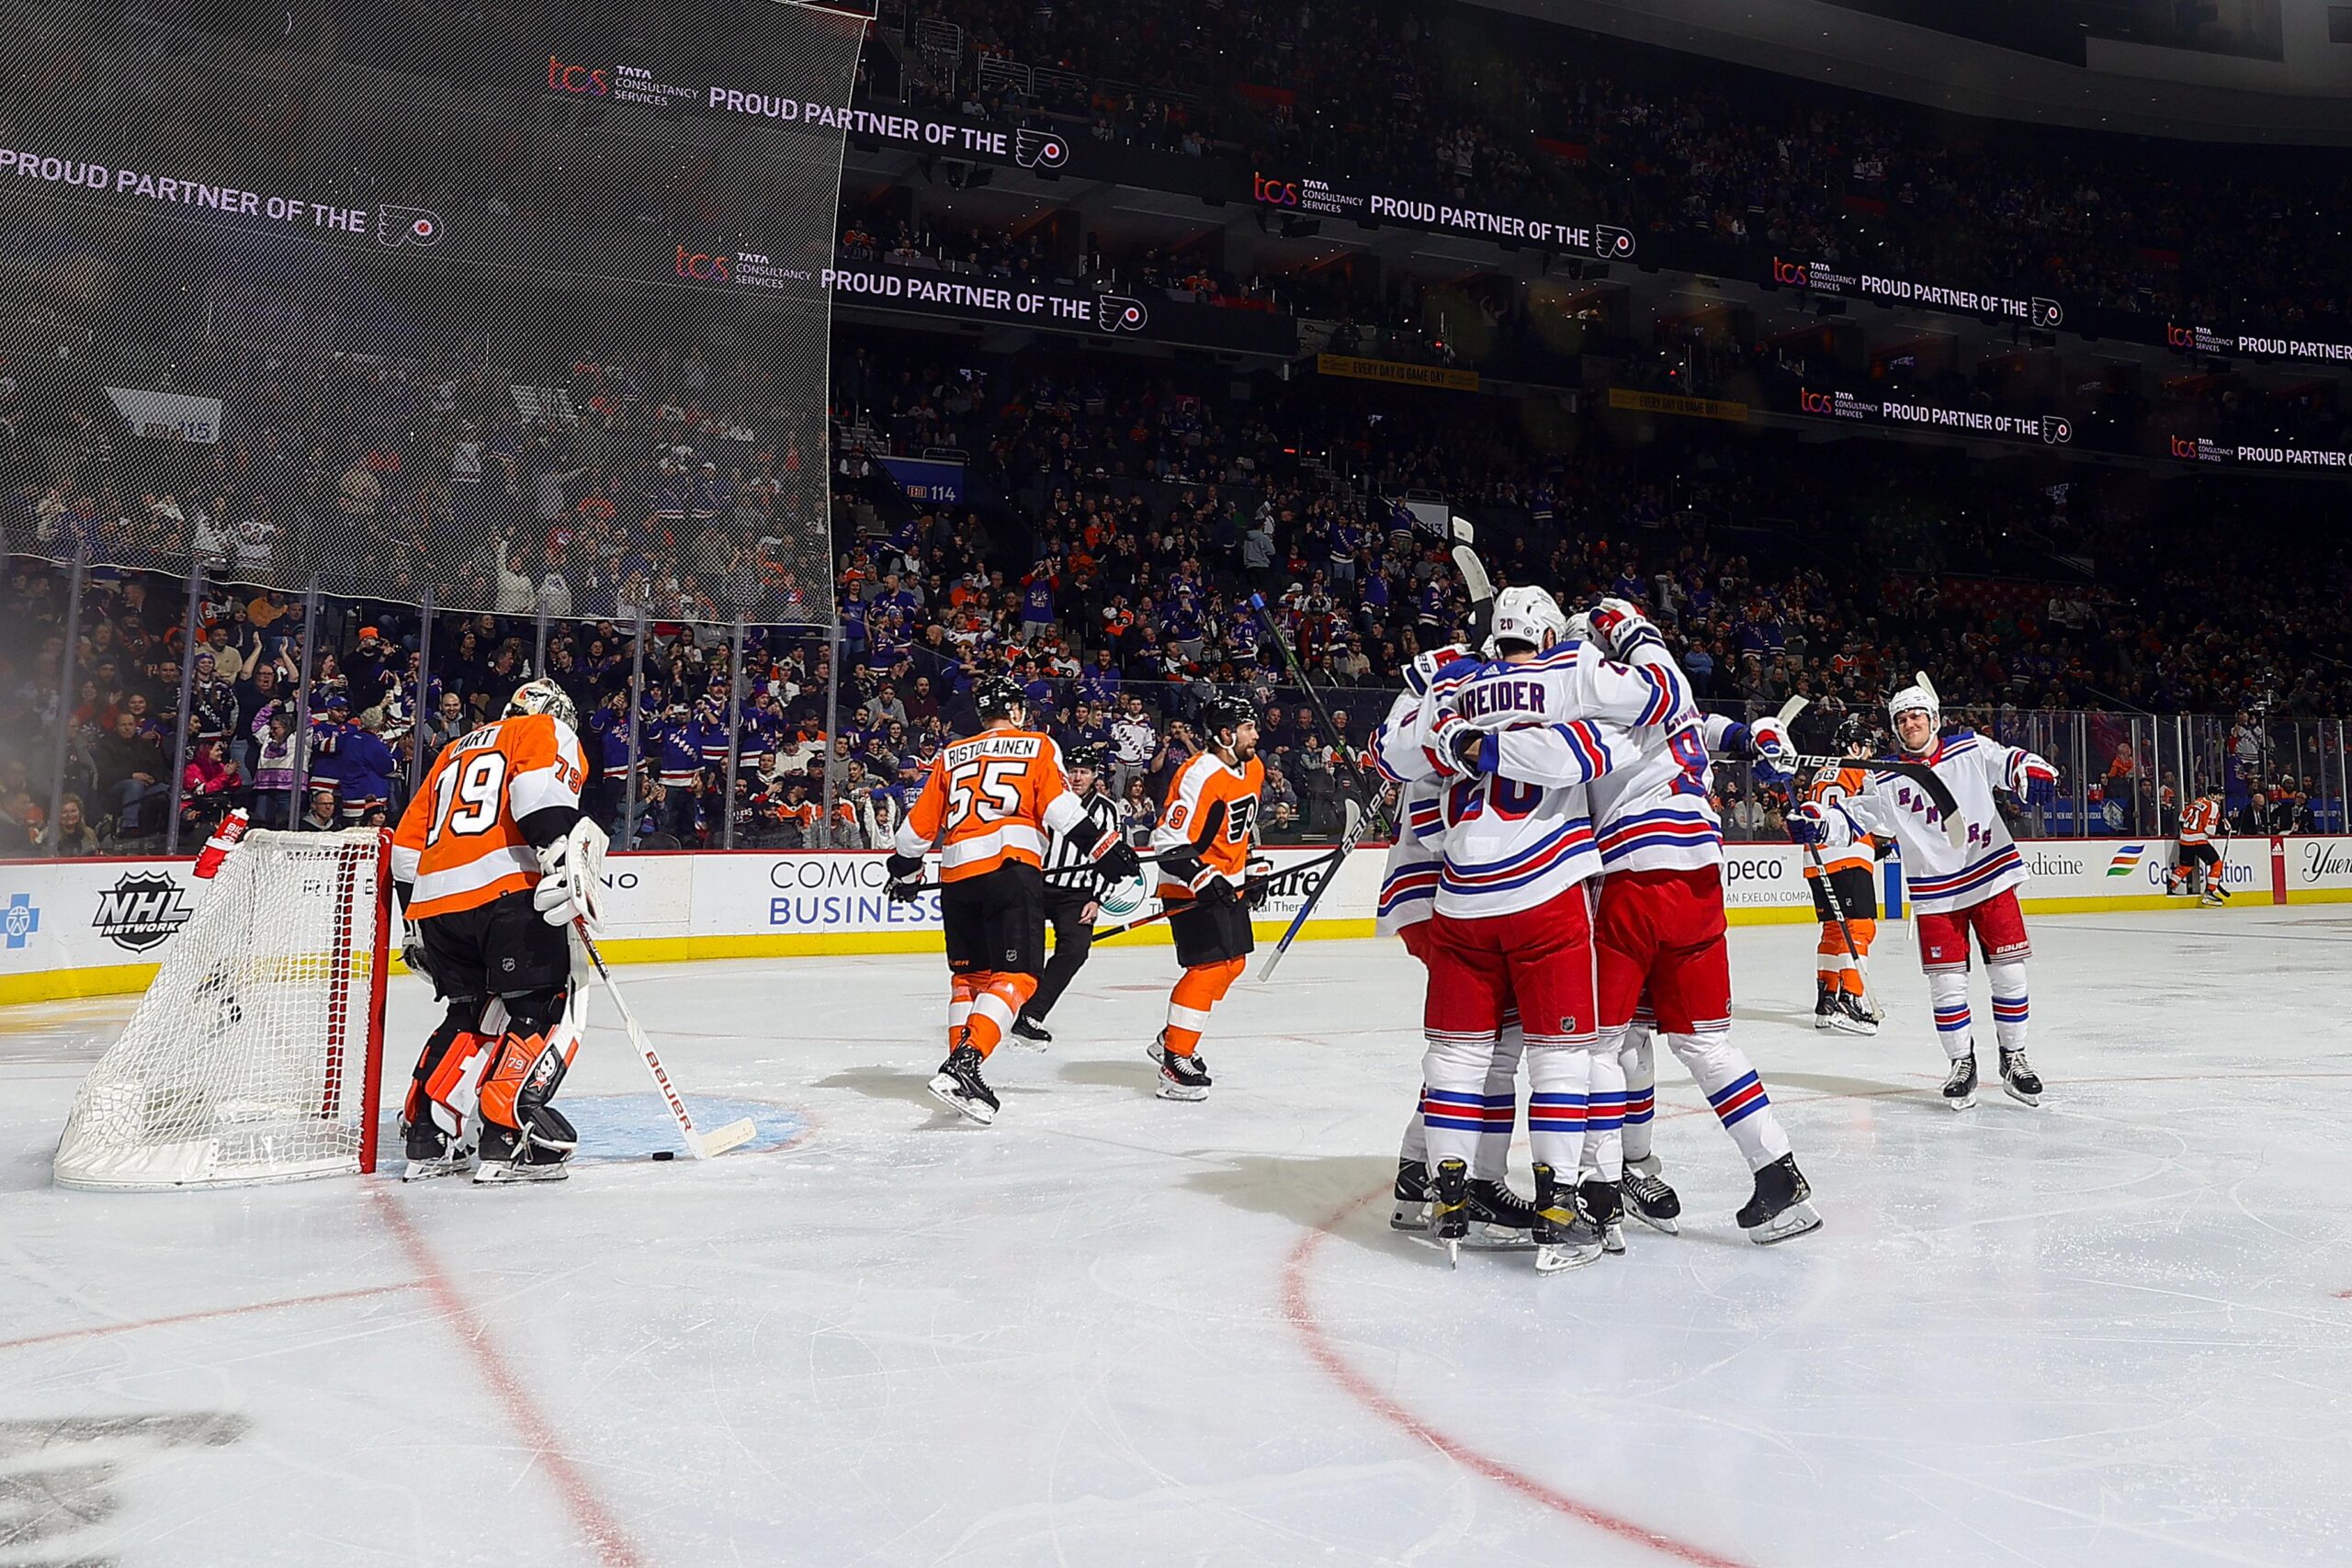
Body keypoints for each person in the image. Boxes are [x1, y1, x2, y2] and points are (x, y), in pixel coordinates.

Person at [1373, 586, 1655, 1271]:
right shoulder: (1570, 672)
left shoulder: (1450, 688)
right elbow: (1645, 710)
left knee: (1461, 1057)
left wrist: (1437, 712)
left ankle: (1447, 1196)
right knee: (1558, 1055)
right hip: (1544, 891)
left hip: (1459, 897)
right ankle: (1559, 1206)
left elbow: (1387, 755)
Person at [1577, 598, 1820, 1251]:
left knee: (1603, 1042)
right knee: (1702, 1042)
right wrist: (1757, 736)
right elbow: (1710, 727)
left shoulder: (1604, 695)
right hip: (1701, 881)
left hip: (1631, 876)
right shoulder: (1668, 700)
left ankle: (1600, 1188)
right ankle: (1778, 1174)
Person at [1792, 671, 2058, 1111]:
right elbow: (1853, 818)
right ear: (1896, 728)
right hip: (1936, 894)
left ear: (1933, 719)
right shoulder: (1888, 778)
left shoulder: (1970, 748)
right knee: (1947, 986)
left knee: (2010, 974)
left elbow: (2010, 762)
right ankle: (1961, 1063)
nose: (1910, 724)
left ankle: (2014, 1059)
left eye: (1917, 715)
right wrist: (1820, 823)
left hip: (1990, 876)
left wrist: (2032, 769)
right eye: (1902, 720)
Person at [886, 675, 1139, 1124]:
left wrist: (905, 872)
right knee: (1019, 977)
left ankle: (960, 1067)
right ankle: (963, 1067)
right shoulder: (1038, 745)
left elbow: (912, 834)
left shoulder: (950, 756)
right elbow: (1060, 809)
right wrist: (1104, 850)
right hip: (1009, 868)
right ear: (1018, 712)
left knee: (969, 980)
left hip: (957, 874)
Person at [390, 678, 605, 1183]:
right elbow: (535, 795)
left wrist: (413, 923)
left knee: (471, 1013)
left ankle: (428, 1134)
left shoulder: (450, 753)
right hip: (508, 894)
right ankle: (510, 1137)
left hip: (436, 905)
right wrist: (557, 857)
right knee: (542, 1008)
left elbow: (405, 848)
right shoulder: (541, 728)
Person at [1377, 648, 1541, 1247]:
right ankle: (1477, 1185)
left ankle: (1418, 1172)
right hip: (1450, 894)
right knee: (1489, 1048)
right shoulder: (1470, 695)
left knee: (1471, 1049)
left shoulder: (1462, 692)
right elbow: (1402, 763)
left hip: (1434, 893)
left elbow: (1392, 750)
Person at [1145, 694, 1265, 1102]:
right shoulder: (1198, 774)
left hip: (1224, 884)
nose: (1256, 734)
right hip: (1187, 885)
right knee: (1209, 968)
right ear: (1226, 734)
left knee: (1234, 964)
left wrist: (1252, 868)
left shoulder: (1254, 769)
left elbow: (1240, 829)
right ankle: (1175, 1060)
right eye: (1247, 728)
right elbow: (1166, 840)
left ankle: (1171, 1038)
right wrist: (1204, 877)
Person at [1012, 743, 1127, 1046]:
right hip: (1036, 886)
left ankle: (1031, 1016)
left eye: (1084, 772)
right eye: (1073, 771)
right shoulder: (1048, 800)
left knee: (1075, 950)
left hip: (1077, 894)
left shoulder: (1106, 810)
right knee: (1025, 952)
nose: (1077, 777)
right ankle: (1001, 1009)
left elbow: (1108, 857)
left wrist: (1097, 898)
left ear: (1094, 776)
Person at [1803, 716, 1885, 1035]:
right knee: (1859, 928)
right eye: (1865, 746)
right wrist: (1886, 837)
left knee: (1833, 931)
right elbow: (1875, 811)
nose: (1868, 753)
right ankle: (1852, 998)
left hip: (1815, 857)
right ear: (1853, 747)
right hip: (1849, 853)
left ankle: (1826, 1002)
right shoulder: (1860, 769)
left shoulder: (1820, 772)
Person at [2167, 789, 2227, 904]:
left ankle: (2170, 886)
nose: (2221, 798)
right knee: (2216, 864)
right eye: (2219, 795)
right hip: (2198, 840)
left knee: (2186, 866)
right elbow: (2210, 830)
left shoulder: (2197, 801)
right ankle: (2209, 892)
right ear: (2212, 795)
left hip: (2184, 839)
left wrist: (2187, 832)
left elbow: (2181, 817)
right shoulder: (2213, 806)